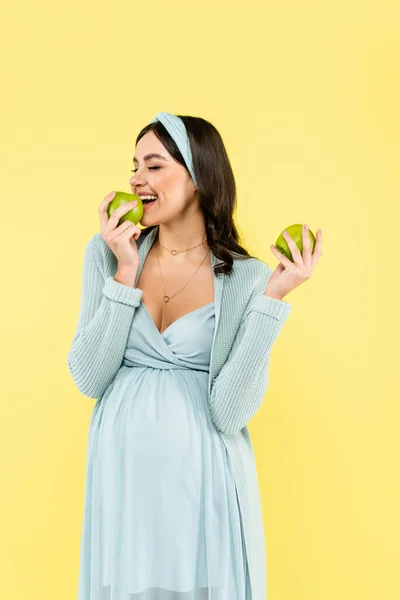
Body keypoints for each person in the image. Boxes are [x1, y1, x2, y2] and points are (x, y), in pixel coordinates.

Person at [68, 112, 322, 600]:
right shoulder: (105, 254)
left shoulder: (247, 278)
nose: (136, 179)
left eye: (154, 166)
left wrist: (272, 300)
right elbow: (89, 376)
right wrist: (124, 273)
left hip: (204, 488)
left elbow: (230, 412)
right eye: (134, 166)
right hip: (122, 483)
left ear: (198, 176)